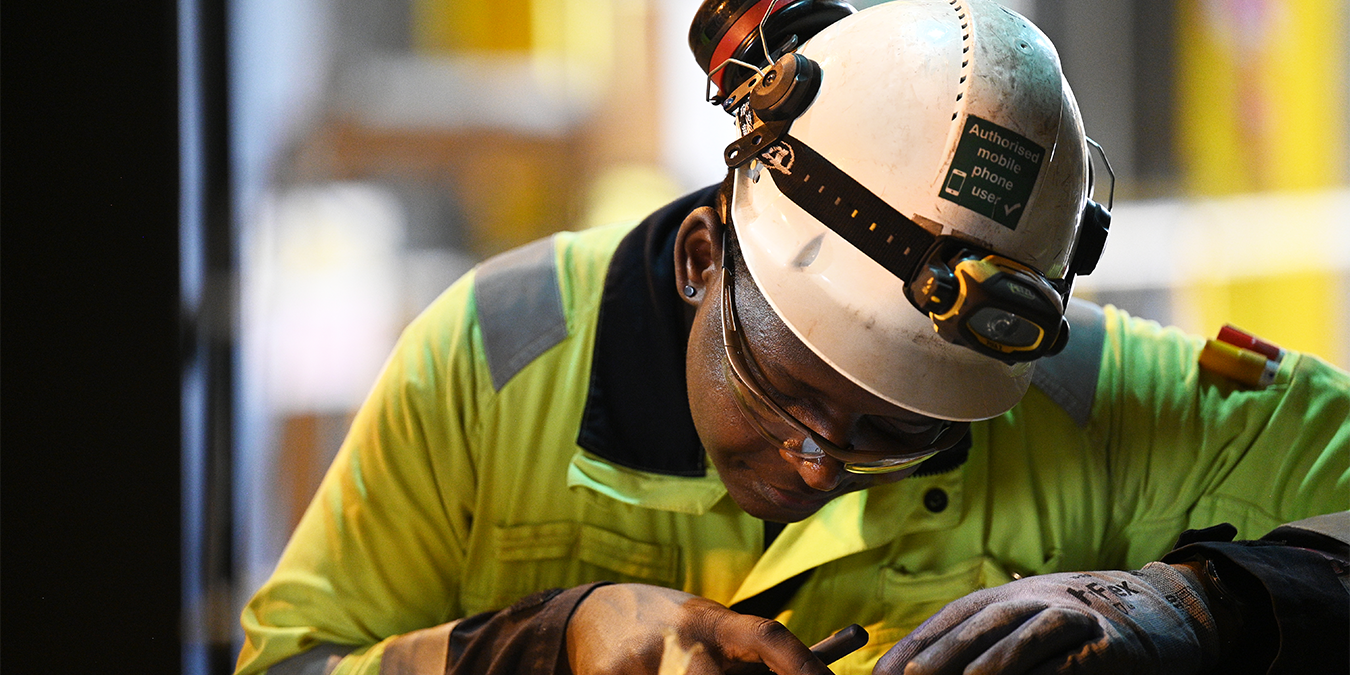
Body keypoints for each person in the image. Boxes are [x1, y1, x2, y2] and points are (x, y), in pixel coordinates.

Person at [235, 1, 1350, 674]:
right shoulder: (492, 361)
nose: (821, 462)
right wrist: (544, 645)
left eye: (892, 428)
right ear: (703, 259)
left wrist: (1201, 608)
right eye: (787, 394)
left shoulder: (1099, 403)